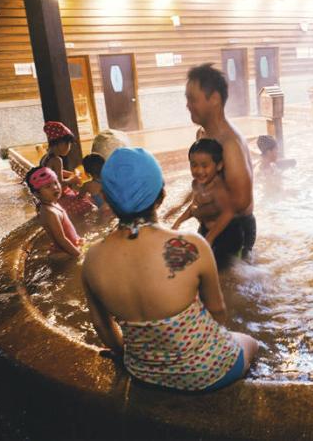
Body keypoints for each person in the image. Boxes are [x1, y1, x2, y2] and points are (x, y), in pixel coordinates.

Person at [81, 147, 258, 392]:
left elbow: (102, 326)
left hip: (142, 372)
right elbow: (217, 312)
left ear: (107, 199)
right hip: (208, 371)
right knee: (250, 342)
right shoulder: (192, 245)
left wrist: (127, 354)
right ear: (161, 195)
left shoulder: (92, 259)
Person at [186, 64, 256, 259]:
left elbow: (241, 202)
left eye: (193, 99)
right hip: (213, 227)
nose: (188, 105)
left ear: (215, 99)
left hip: (233, 231)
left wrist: (205, 217)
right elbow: (205, 182)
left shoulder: (229, 145)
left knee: (224, 278)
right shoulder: (204, 136)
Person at [173, 139, 242, 269]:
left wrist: (210, 238)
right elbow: (194, 207)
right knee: (196, 260)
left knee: (223, 269)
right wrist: (178, 222)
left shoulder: (218, 188)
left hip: (228, 233)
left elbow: (228, 213)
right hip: (207, 230)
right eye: (194, 165)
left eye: (205, 166)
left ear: (219, 166)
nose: (199, 171)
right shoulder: (196, 184)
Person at [24, 166, 82, 258]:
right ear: (37, 194)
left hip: (70, 248)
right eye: (48, 186)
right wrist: (79, 255)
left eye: (55, 182)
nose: (55, 188)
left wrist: (77, 239)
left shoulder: (53, 203)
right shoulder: (49, 212)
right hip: (65, 253)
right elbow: (61, 240)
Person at [40, 121, 95, 216]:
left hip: (50, 196)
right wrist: (73, 180)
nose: (69, 148)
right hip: (60, 197)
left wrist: (70, 174)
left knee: (82, 196)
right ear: (60, 143)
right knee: (90, 205)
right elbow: (60, 183)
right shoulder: (57, 160)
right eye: (68, 144)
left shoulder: (45, 157)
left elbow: (54, 173)